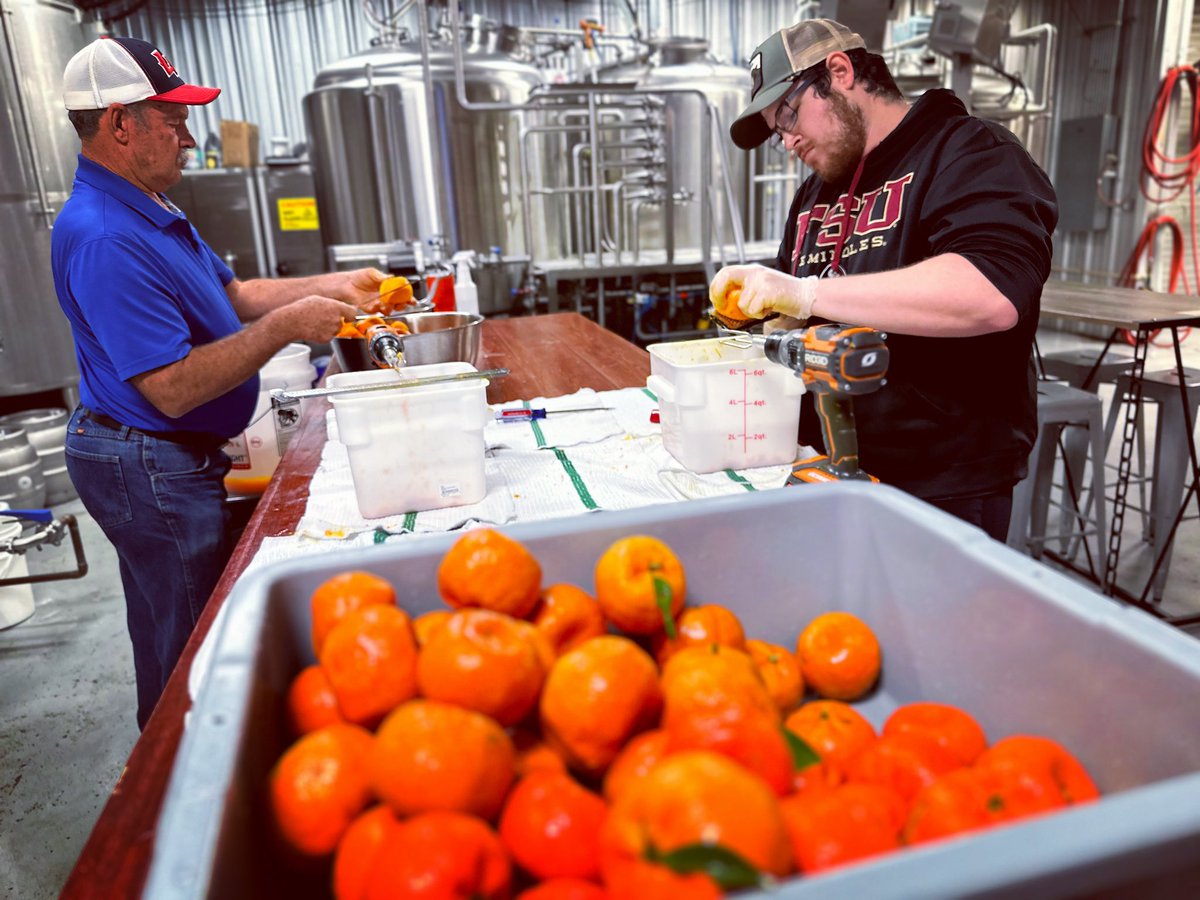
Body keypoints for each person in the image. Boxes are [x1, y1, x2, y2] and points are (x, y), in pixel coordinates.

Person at [52, 35, 387, 729]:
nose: (187, 136)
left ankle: (164, 768)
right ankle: (175, 785)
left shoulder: (152, 207)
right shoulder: (106, 235)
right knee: (192, 655)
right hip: (145, 461)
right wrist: (289, 328)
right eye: (171, 120)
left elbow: (232, 296)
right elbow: (170, 387)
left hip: (160, 454)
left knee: (172, 633)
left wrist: (336, 286)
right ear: (120, 123)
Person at [710, 18, 1057, 540]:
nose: (786, 140)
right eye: (777, 131)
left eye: (787, 114)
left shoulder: (968, 152)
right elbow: (803, 313)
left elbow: (992, 292)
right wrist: (764, 316)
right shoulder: (815, 195)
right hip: (828, 462)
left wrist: (806, 292)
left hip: (940, 482)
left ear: (841, 71)